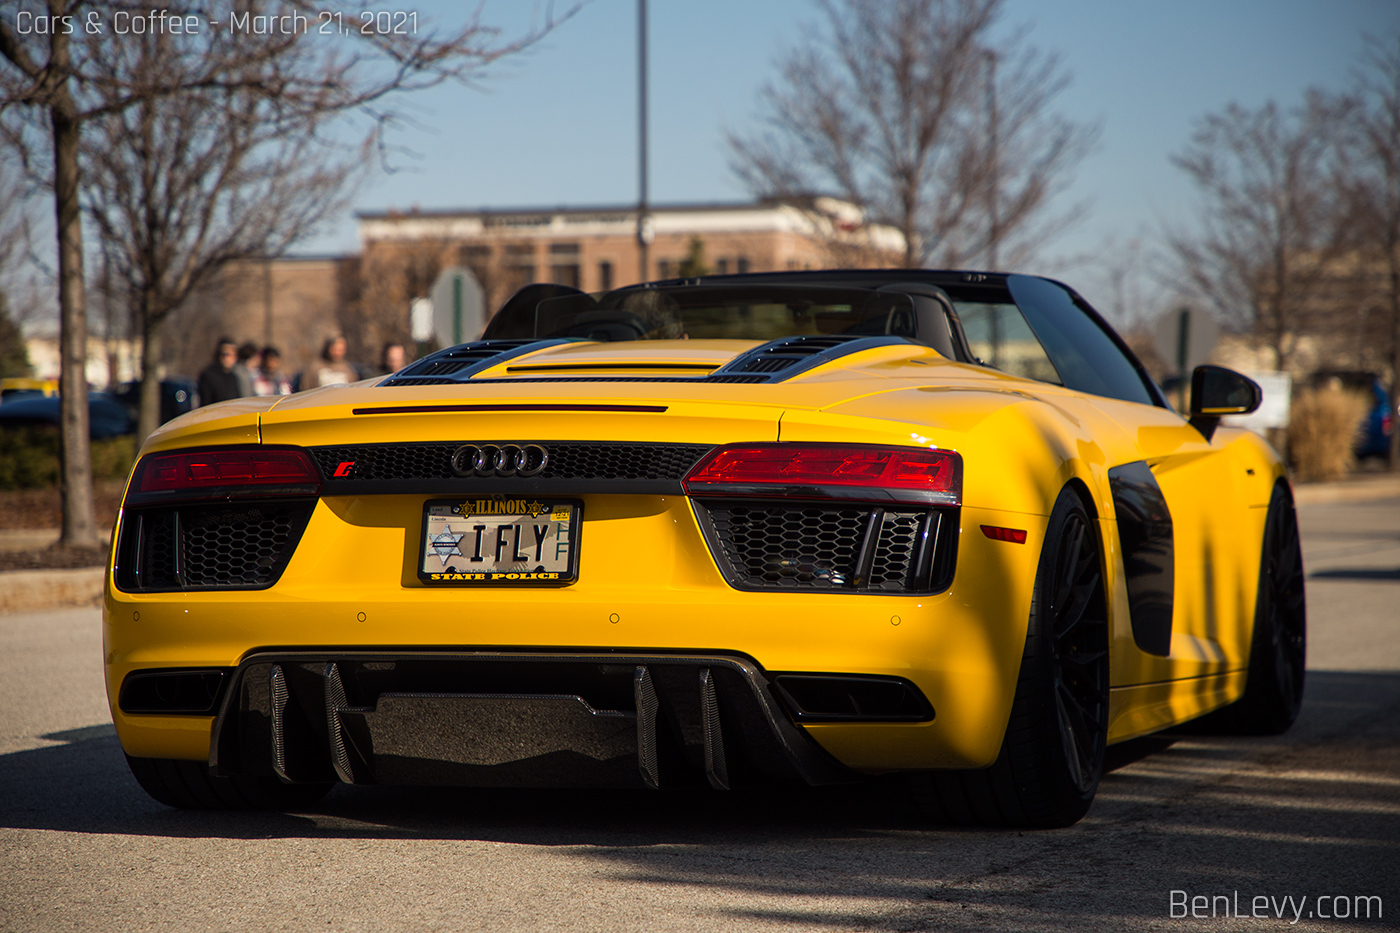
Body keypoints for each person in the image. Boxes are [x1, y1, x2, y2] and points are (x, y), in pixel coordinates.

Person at [197, 338, 243, 406]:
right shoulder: (208, 375)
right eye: (224, 354)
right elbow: (205, 403)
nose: (226, 358)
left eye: (231, 354)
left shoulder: (233, 377)